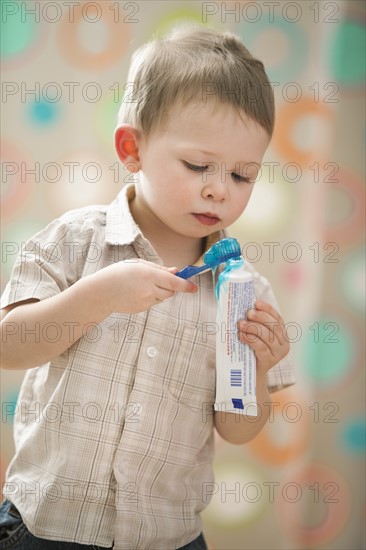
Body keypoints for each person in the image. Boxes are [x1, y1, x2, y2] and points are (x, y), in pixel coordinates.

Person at [0, 26, 295, 550]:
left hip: (169, 536)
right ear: (132, 149)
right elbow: (8, 345)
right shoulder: (73, 241)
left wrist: (256, 367)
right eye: (198, 165)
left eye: (242, 175)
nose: (218, 188)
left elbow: (238, 430)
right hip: (45, 527)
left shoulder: (245, 292)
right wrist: (99, 295)